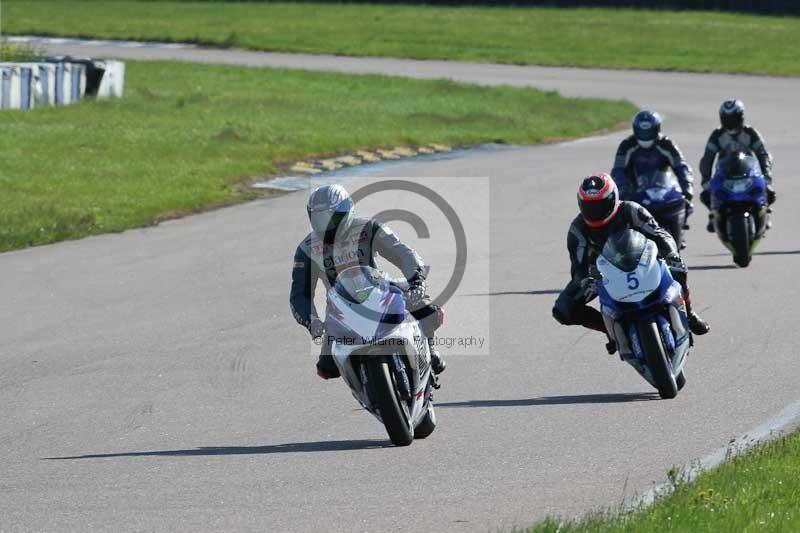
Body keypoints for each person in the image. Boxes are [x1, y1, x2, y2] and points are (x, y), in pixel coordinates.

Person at [290, 184, 446, 379]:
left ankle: (429, 351)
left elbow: (403, 253)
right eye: (320, 219)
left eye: (333, 218)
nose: (327, 226)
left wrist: (416, 280)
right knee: (326, 368)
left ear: (347, 210)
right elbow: (299, 294)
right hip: (340, 309)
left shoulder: (369, 228)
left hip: (380, 292)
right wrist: (311, 320)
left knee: (428, 311)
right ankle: (362, 382)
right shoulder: (306, 249)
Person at [552, 173, 709, 352]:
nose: (594, 211)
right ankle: (612, 332)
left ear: (613, 199)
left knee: (678, 268)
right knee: (562, 310)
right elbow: (578, 268)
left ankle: (689, 314)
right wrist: (586, 281)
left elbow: (660, 234)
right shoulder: (578, 229)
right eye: (589, 206)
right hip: (605, 276)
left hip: (643, 263)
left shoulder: (630, 210)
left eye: (599, 205)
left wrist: (671, 253)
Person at [611, 110, 695, 246]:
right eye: (642, 132)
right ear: (635, 130)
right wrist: (623, 189)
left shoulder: (667, 144)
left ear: (657, 129)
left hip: (664, 188)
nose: (645, 137)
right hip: (636, 192)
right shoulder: (627, 145)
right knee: (620, 215)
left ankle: (679, 229)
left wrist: (687, 188)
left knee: (685, 203)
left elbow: (681, 166)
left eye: (649, 132)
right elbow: (618, 170)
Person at [699, 99, 776, 231]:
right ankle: (714, 214)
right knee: (706, 194)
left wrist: (767, 176)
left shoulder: (751, 133)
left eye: (734, 118)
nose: (731, 122)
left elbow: (763, 154)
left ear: (741, 117)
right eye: (727, 119)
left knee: (770, 192)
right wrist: (706, 180)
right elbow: (707, 159)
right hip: (725, 174)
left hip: (748, 173)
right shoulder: (717, 135)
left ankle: (765, 211)